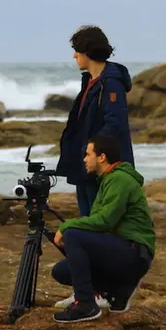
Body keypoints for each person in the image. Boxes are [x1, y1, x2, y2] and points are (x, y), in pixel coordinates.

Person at [50, 134, 154, 323]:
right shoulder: (108, 180)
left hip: (135, 253)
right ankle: (117, 291)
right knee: (62, 271)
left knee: (73, 235)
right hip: (124, 251)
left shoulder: (120, 179)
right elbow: (99, 223)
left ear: (102, 157)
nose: (84, 159)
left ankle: (85, 304)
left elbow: (104, 220)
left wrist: (67, 226)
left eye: (88, 154)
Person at [56, 25, 135, 218]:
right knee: (87, 219)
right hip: (86, 167)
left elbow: (114, 125)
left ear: (87, 51)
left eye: (77, 50)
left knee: (98, 221)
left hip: (101, 168)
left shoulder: (111, 83)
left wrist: (93, 153)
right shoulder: (91, 82)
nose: (75, 56)